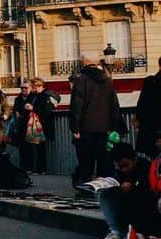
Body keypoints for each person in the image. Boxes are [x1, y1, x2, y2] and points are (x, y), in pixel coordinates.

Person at [94, 141, 158, 239]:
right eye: (120, 166)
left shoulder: (145, 166)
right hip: (125, 200)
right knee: (104, 193)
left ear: (134, 159)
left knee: (134, 197)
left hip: (143, 201)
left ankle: (136, 235)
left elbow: (148, 187)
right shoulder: (120, 170)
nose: (124, 169)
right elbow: (116, 179)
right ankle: (115, 232)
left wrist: (132, 186)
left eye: (126, 165)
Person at [70, 56, 122, 186]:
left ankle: (87, 185)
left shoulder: (81, 79)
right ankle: (102, 187)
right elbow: (114, 105)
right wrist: (113, 126)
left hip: (85, 127)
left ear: (85, 63)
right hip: (105, 127)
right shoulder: (107, 80)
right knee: (103, 159)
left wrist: (75, 128)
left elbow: (77, 105)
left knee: (86, 160)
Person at [27, 78, 60, 174]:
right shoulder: (35, 95)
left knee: (40, 148)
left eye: (33, 87)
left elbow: (46, 111)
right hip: (36, 124)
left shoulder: (46, 96)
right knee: (37, 147)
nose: (32, 89)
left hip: (42, 124)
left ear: (39, 86)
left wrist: (33, 108)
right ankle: (38, 168)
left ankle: (41, 169)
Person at [133, 56, 161, 156]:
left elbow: (141, 105)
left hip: (151, 131)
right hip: (154, 130)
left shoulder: (150, 81)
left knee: (154, 162)